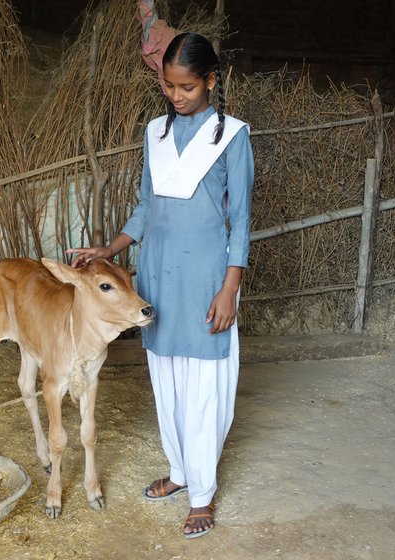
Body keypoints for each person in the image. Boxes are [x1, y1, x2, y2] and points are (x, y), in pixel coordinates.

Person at [67, 32, 254, 539]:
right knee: (167, 380)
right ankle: (178, 472)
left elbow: (241, 219)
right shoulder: (156, 133)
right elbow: (147, 207)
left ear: (211, 81)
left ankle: (202, 494)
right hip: (160, 276)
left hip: (206, 281)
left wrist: (228, 289)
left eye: (187, 87)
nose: (176, 96)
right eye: (169, 87)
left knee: (203, 389)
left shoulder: (234, 136)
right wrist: (110, 249)